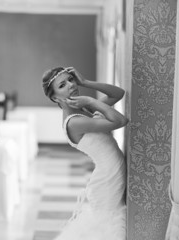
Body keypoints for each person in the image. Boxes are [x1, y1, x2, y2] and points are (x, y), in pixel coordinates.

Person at [41, 66, 128, 240]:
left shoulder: (84, 111)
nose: (71, 85)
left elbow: (118, 93)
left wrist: (86, 82)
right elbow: (121, 120)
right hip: (107, 183)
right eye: (62, 85)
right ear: (55, 97)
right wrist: (90, 101)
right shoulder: (74, 122)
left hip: (108, 178)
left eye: (71, 80)